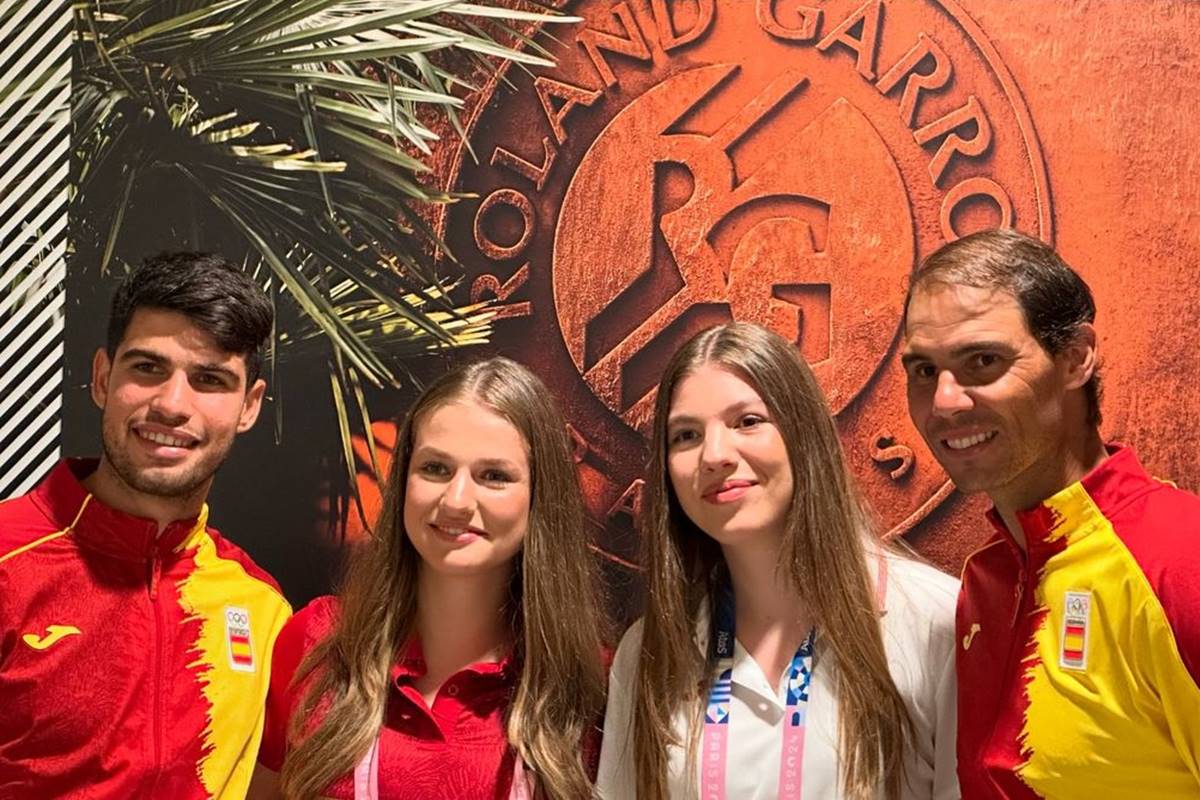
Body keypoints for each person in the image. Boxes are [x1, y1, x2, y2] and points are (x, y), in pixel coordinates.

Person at [597, 322, 959, 799]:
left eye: (747, 421)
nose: (715, 455)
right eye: (685, 435)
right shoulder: (649, 652)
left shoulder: (936, 619)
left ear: (802, 434)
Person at [901, 227, 1200, 798]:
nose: (944, 401)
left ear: (1075, 358)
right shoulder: (985, 579)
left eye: (983, 360)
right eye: (923, 370)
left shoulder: (1181, 562)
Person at [0, 252, 291, 798]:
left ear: (249, 407)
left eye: (209, 379)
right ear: (103, 377)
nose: (172, 404)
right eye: (148, 368)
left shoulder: (261, 606)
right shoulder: (7, 558)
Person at [249, 357, 607, 800]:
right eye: (435, 468)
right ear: (403, 480)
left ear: (540, 498)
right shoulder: (318, 642)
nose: (456, 500)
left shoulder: (591, 683)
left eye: (493, 476)